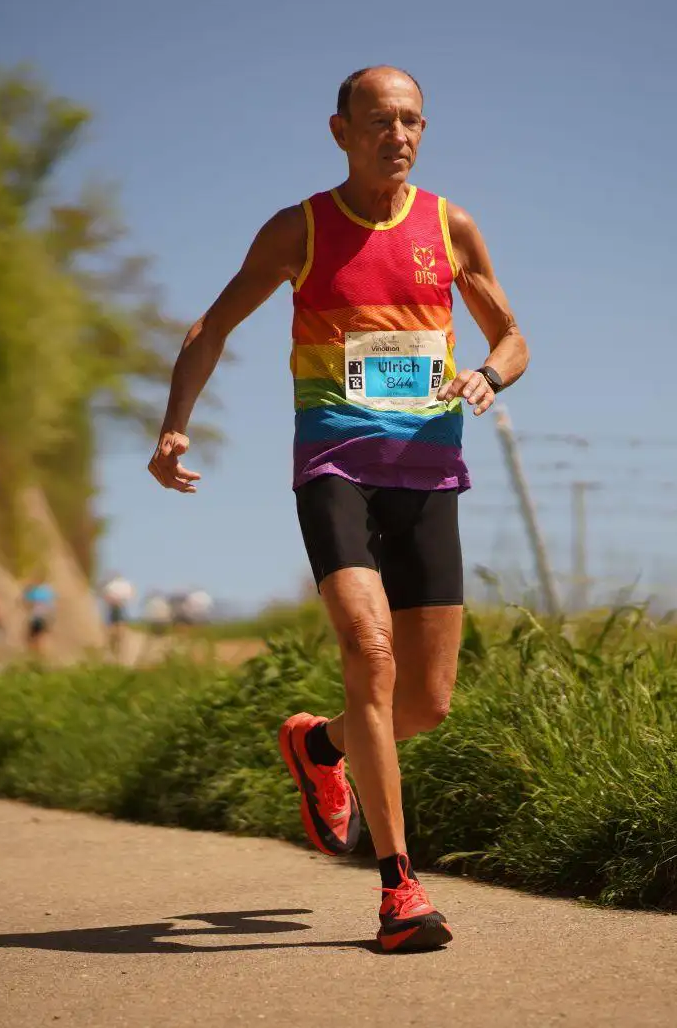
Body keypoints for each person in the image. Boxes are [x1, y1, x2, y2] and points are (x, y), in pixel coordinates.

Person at [147, 66, 528, 952]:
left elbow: (512, 335)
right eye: (379, 121)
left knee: (426, 703)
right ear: (341, 132)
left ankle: (320, 747)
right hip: (335, 469)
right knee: (371, 650)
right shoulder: (301, 229)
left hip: (429, 475)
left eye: (412, 121)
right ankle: (400, 890)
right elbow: (211, 326)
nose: (398, 136)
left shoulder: (450, 227)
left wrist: (489, 373)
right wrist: (173, 427)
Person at [100, 572, 135, 660]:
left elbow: (105, 596)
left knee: (115, 629)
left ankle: (117, 648)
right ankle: (117, 648)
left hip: (116, 608)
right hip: (118, 608)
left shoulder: (111, 585)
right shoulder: (121, 585)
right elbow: (131, 594)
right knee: (117, 629)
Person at [21, 575, 56, 658]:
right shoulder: (48, 590)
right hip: (45, 617)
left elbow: (26, 602)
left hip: (36, 617)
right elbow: (51, 606)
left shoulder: (35, 591)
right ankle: (40, 656)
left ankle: (34, 656)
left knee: (31, 638)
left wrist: (27, 591)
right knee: (40, 638)